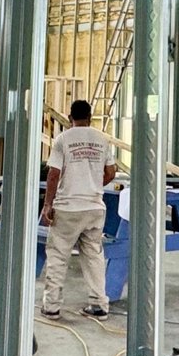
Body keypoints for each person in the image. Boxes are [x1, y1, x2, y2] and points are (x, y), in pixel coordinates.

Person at [40, 99, 117, 318]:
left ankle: (51, 306)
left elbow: (54, 174)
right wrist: (92, 186)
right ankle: (99, 304)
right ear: (90, 118)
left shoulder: (63, 139)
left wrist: (48, 204)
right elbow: (111, 172)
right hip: (94, 208)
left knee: (58, 255)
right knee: (94, 256)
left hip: (68, 208)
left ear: (70, 117)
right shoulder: (102, 139)